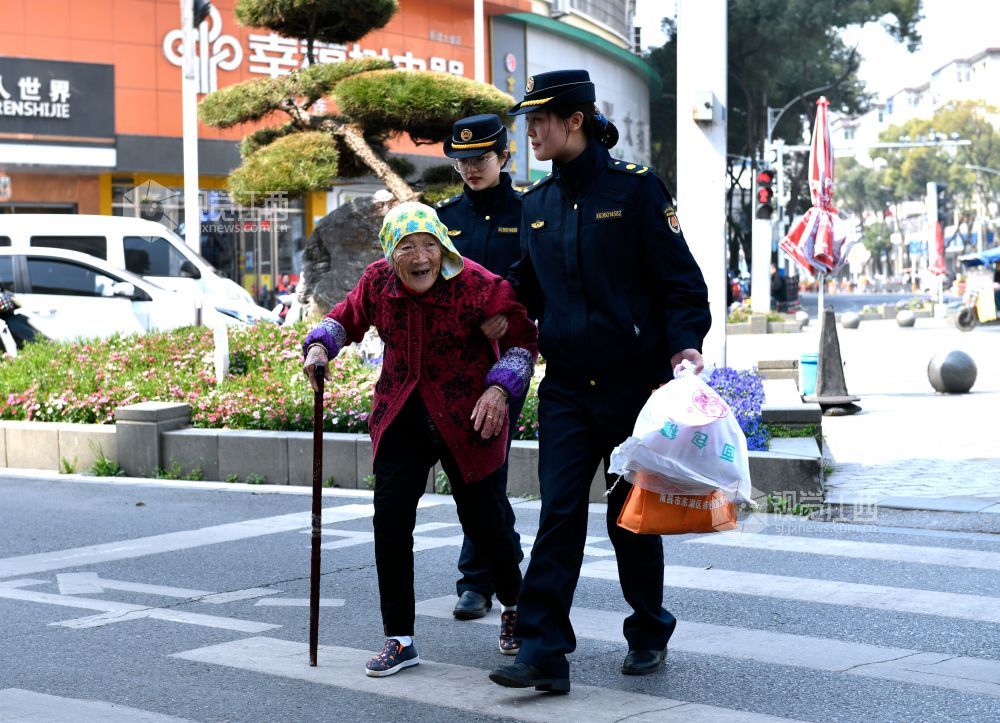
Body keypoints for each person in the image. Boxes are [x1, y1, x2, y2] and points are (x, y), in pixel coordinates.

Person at [489, 70, 711, 694]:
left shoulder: (636, 191)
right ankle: (543, 652)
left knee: (628, 517)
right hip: (565, 388)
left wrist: (685, 345)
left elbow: (680, 284)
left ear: (575, 121)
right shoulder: (535, 204)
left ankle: (647, 629)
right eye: (527, 119)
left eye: (539, 119)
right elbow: (523, 292)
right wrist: (484, 311)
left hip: (630, 385)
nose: (529, 130)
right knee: (558, 512)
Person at [302, 202, 538, 677]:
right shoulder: (377, 282)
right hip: (401, 414)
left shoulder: (477, 285)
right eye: (406, 247)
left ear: (443, 247)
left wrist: (499, 388)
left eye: (429, 244)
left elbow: (522, 340)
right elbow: (345, 317)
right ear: (391, 253)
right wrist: (319, 345)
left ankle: (515, 607)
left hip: (469, 415)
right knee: (389, 523)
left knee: (486, 520)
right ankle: (400, 638)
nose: (420, 256)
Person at [435, 113, 525, 622]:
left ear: (504, 158)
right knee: (474, 470)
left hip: (507, 358)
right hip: (453, 359)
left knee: (487, 465)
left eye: (480, 159)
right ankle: (502, 561)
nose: (470, 169)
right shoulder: (445, 219)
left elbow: (533, 277)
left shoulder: (529, 212)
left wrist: (507, 311)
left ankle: (476, 580)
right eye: (462, 161)